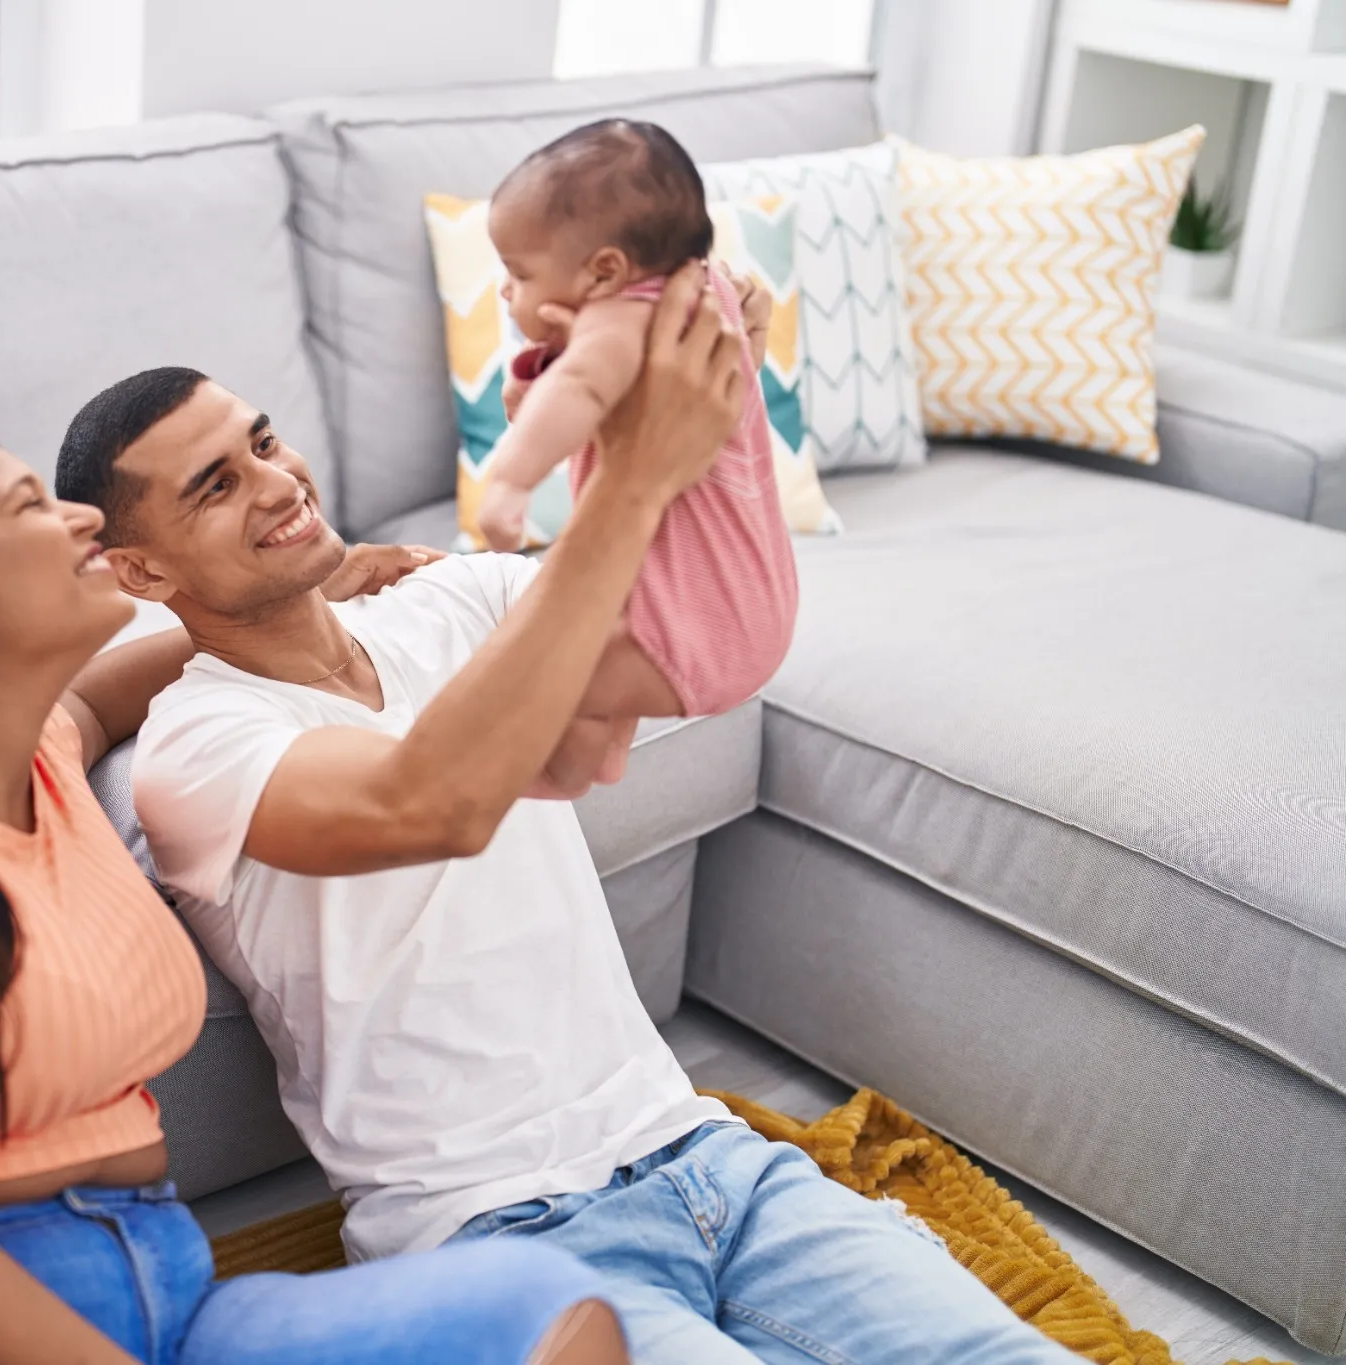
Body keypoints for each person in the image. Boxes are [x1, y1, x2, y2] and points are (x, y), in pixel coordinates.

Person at [53, 268, 1081, 1364]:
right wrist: (632, 484)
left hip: (709, 1156)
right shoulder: (197, 747)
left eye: (262, 442)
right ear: (139, 568)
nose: (273, 482)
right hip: (493, 1237)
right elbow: (428, 803)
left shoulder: (447, 603)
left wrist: (725, 425)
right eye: (215, 486)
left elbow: (697, 658)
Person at [0, 425, 634, 1364]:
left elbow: (100, 699)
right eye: (31, 505)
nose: (81, 520)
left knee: (546, 1308)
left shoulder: (39, 767)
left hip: (167, 1299)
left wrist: (296, 594)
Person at [474, 119, 797, 793]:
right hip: (744, 605)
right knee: (603, 641)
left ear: (605, 272)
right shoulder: (705, 300)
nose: (506, 291)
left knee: (569, 670)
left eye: (519, 272)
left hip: (699, 627)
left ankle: (560, 771)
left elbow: (579, 387)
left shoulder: (622, 317)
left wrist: (508, 482)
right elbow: (568, 395)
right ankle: (606, 743)